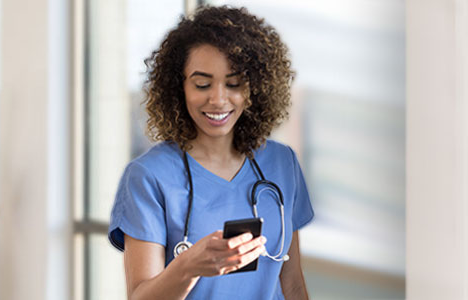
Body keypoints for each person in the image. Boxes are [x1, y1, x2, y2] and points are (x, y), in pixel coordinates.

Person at [108, 5, 314, 300]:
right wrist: (188, 267)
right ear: (179, 88)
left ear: (254, 87)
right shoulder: (148, 178)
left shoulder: (281, 164)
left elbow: (292, 282)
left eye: (233, 84)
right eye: (202, 84)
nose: (218, 100)